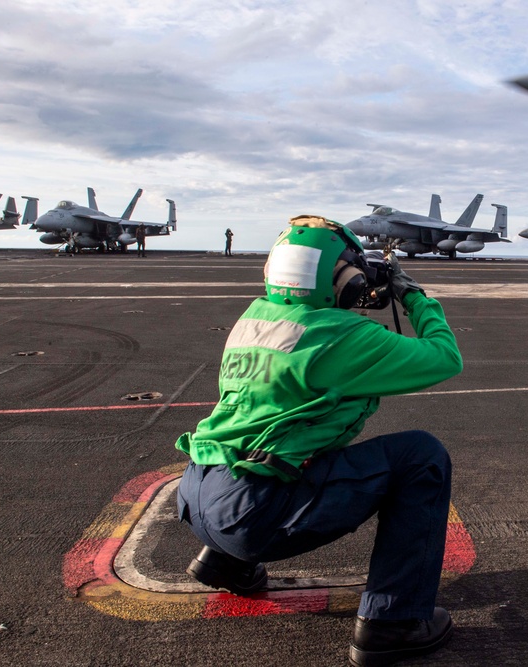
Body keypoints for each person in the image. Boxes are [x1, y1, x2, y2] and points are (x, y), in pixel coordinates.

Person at [174, 215, 463, 666]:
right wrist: (414, 297)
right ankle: (393, 623)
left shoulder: (256, 317)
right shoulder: (345, 337)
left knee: (288, 430)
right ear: (342, 279)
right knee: (421, 456)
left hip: (194, 494)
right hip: (252, 516)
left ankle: (223, 562)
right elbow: (445, 357)